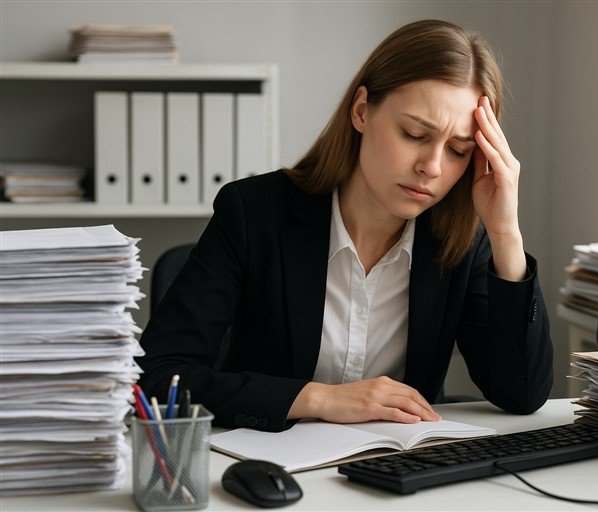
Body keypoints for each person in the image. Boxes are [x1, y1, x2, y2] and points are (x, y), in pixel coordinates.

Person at [138, 19, 553, 432]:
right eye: (413, 134)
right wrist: (318, 399)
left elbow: (521, 394)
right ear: (361, 111)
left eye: (459, 150)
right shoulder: (252, 212)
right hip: (269, 466)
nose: (432, 167)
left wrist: (505, 233)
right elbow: (157, 378)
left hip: (397, 477)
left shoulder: (461, 241)